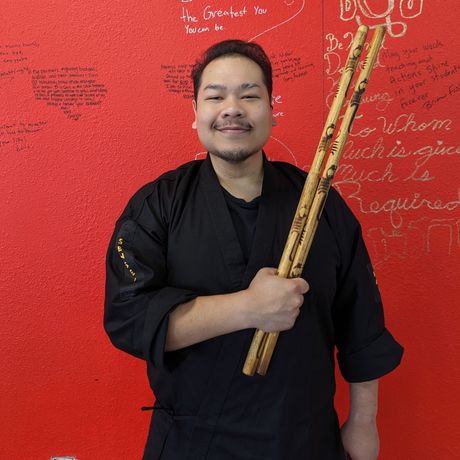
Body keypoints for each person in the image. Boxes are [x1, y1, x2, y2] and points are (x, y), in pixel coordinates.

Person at [104, 39, 403, 460]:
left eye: (249, 95)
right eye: (215, 96)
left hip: (301, 440)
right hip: (194, 443)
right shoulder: (158, 205)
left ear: (270, 112)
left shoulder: (320, 203)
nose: (232, 108)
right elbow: (130, 319)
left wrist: (362, 423)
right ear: (195, 115)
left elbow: (361, 323)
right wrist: (248, 307)